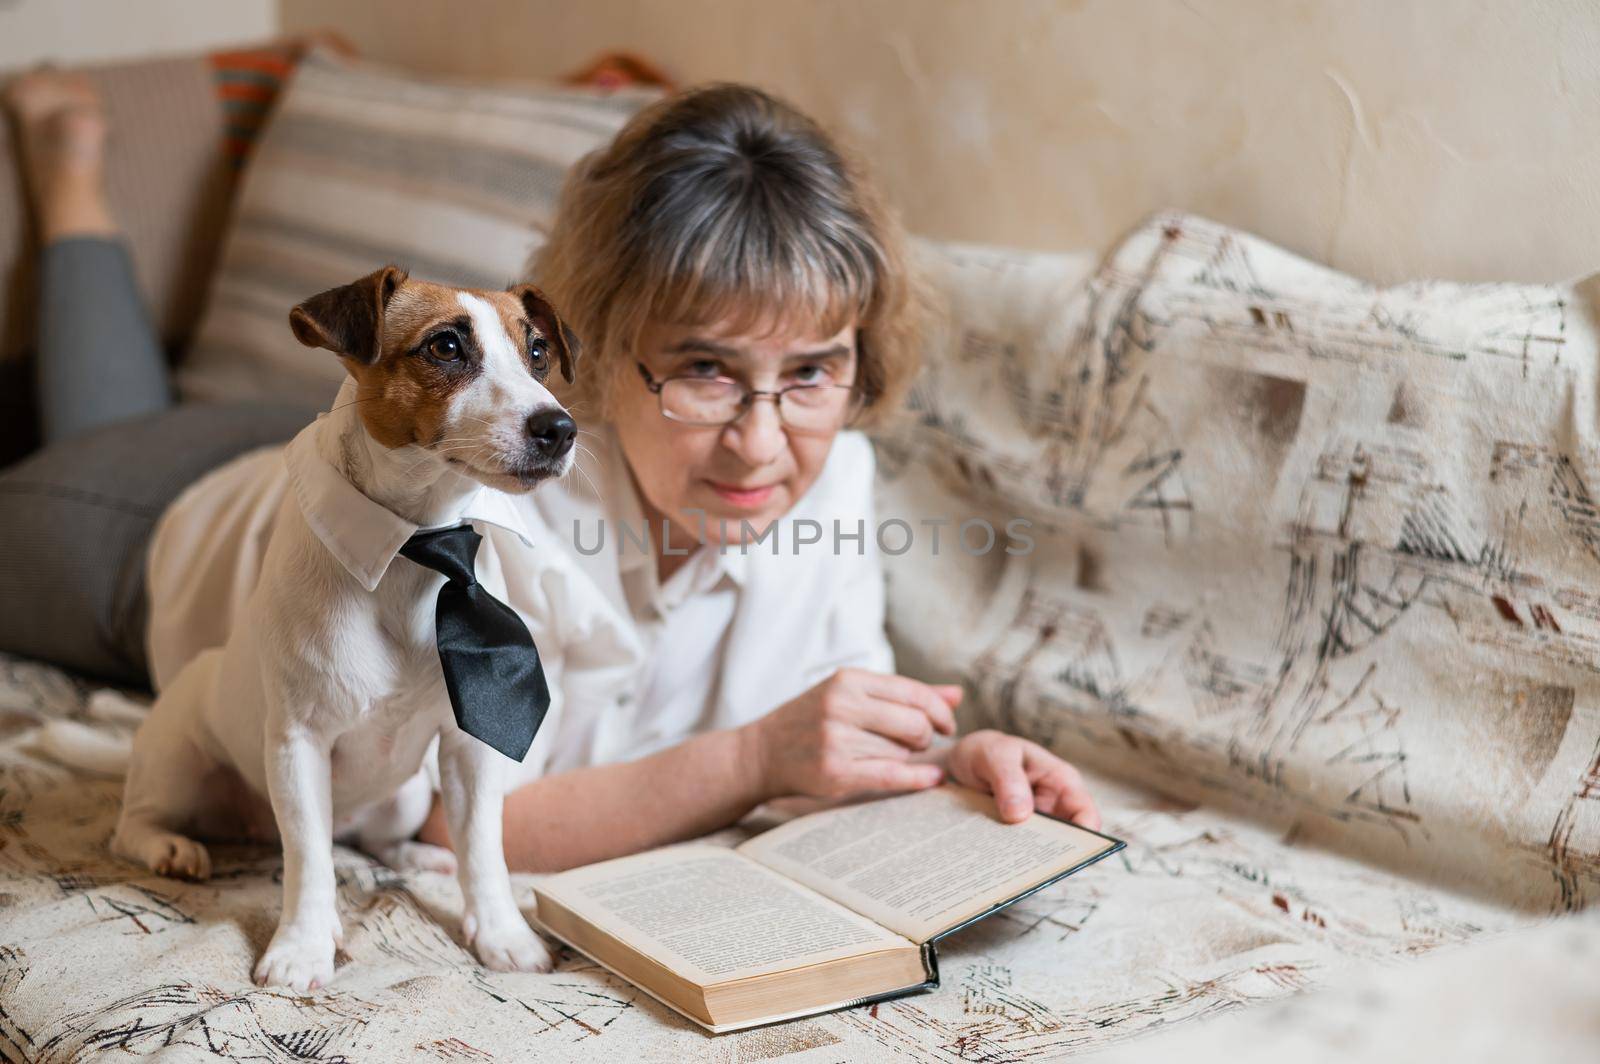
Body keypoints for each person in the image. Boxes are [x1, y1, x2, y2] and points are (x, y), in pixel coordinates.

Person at [0, 71, 1099, 873]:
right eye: (704, 371)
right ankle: (74, 180)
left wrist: (953, 759)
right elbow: (439, 814)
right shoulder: (503, 500)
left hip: (350, 434)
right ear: (600, 352)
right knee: (88, 442)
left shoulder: (837, 475)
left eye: (812, 371)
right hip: (162, 522)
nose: (763, 446)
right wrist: (754, 757)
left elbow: (831, 707)